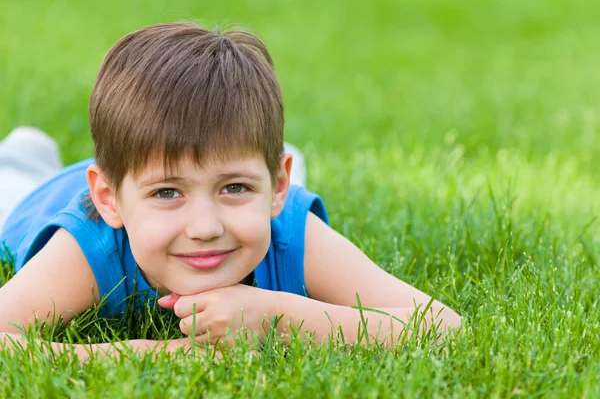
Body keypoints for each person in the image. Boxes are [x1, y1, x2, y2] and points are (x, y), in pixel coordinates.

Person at [0, 22, 460, 358]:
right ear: (110, 198)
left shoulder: (290, 230)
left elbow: (446, 329)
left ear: (280, 187)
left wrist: (279, 318)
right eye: (168, 193)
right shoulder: (90, 244)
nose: (205, 228)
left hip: (153, 176)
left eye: (233, 187)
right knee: (12, 177)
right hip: (39, 197)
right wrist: (156, 354)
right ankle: (24, 154)